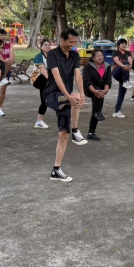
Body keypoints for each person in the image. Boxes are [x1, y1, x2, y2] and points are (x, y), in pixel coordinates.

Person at [44, 28, 87, 182]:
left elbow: (77, 75)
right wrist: (69, 97)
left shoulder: (74, 55)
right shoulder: (53, 54)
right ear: (62, 40)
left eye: (75, 42)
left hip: (66, 98)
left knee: (64, 134)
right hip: (52, 95)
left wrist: (82, 93)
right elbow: (57, 77)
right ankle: (76, 130)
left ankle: (56, 170)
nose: (73, 45)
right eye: (71, 42)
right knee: (74, 98)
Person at [83, 49, 112, 141]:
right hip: (89, 89)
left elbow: (108, 81)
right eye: (98, 56)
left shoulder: (107, 66)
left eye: (101, 55)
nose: (100, 57)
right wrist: (95, 91)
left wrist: (104, 91)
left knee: (95, 110)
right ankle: (98, 111)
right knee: (97, 105)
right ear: (93, 58)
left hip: (101, 91)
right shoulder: (88, 67)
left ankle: (91, 132)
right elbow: (87, 81)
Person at [0, 29, 15, 117]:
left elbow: (12, 58)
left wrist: (9, 61)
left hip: (6, 69)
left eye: (4, 35)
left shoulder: (9, 46)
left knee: (3, 90)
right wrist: (6, 61)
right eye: (1, 35)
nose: (3, 37)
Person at [32, 39, 52, 129]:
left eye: (49, 45)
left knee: (44, 101)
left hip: (46, 80)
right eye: (45, 45)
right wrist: (51, 80)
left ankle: (39, 121)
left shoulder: (52, 56)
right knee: (44, 100)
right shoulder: (39, 56)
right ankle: (39, 122)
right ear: (41, 47)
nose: (47, 46)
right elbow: (42, 69)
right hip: (37, 79)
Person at [112, 38, 133, 118]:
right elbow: (117, 61)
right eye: (122, 44)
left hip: (124, 74)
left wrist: (130, 66)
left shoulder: (128, 53)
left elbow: (130, 61)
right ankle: (126, 81)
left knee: (122, 93)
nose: (124, 45)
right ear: (118, 45)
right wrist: (124, 66)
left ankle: (117, 111)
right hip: (117, 72)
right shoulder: (116, 52)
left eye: (125, 44)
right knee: (124, 63)